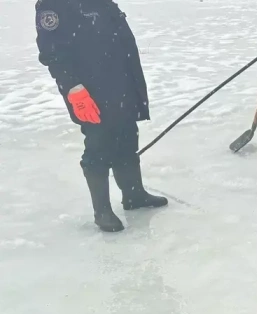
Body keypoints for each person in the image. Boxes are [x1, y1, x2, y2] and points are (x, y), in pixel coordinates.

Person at [35, 0, 167, 233]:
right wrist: (73, 88)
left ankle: (133, 195)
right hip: (90, 89)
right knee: (99, 142)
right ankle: (102, 210)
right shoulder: (53, 4)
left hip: (121, 79)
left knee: (127, 134)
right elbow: (52, 52)